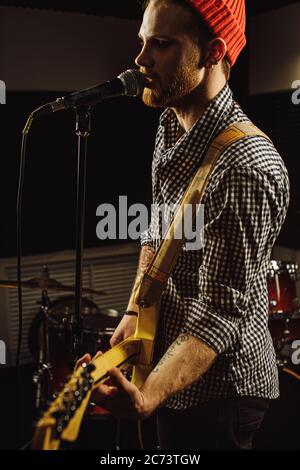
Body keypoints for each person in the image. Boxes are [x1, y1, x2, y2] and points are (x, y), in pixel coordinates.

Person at [79, 0, 290, 449]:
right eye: (143, 41)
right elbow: (157, 230)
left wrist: (147, 396)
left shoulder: (246, 165)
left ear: (213, 51)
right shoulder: (169, 125)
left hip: (222, 393)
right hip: (170, 367)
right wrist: (137, 309)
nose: (140, 60)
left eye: (162, 43)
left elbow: (219, 311)